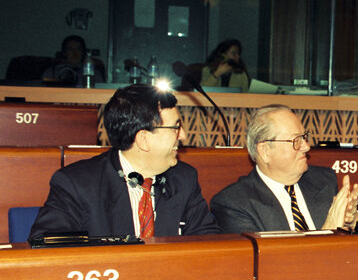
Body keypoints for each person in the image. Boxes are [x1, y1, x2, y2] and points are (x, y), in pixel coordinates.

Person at [30, 84, 220, 238]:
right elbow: (48, 245)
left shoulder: (183, 179)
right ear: (143, 139)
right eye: (176, 128)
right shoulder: (77, 184)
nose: (184, 136)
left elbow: (210, 242)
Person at [210, 104, 358, 232]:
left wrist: (353, 221)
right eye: (296, 140)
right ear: (265, 151)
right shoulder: (234, 203)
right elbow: (270, 261)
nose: (306, 147)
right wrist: (329, 230)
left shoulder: (323, 180)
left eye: (304, 137)